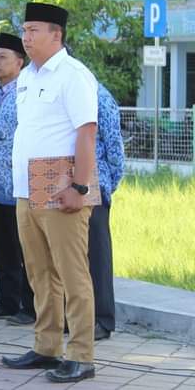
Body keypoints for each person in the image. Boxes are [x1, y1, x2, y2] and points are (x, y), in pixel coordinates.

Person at [2, 2, 98, 384]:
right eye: (24, 30)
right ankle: (46, 346)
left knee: (72, 275)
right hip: (27, 188)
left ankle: (82, 355)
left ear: (56, 34)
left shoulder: (73, 75)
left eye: (34, 30)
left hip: (61, 187)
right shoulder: (26, 75)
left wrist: (80, 186)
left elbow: (86, 133)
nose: (26, 38)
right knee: (39, 273)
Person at [0, 33, 35, 324]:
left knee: (24, 247)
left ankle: (29, 305)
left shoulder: (24, 91)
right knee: (1, 246)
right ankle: (7, 300)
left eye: (3, 58)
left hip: (19, 185)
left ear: (19, 62)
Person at [90, 82, 125, 340]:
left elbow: (114, 146)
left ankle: (102, 319)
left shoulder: (98, 96)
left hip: (94, 185)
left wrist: (106, 185)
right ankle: (75, 317)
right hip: (58, 184)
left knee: (97, 256)